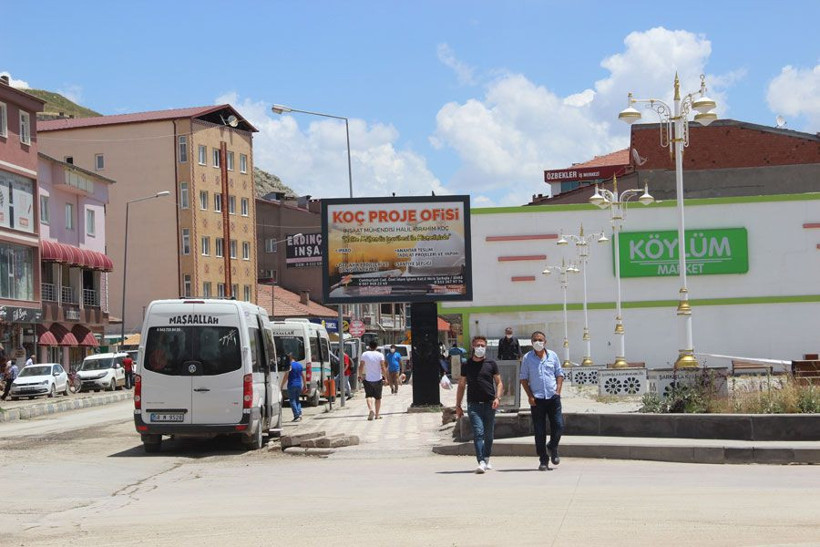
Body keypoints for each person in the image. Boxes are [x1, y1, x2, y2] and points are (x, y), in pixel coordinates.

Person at [455, 336, 503, 474]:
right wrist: (458, 405)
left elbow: (499, 383)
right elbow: (461, 385)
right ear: (473, 346)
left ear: (486, 347)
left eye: (482, 345)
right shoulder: (467, 364)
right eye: (477, 345)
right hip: (473, 404)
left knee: (489, 434)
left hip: (490, 403)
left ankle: (486, 458)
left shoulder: (491, 364)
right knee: (478, 432)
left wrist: (498, 398)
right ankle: (481, 461)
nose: (480, 348)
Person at [519, 331, 564, 471]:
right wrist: (530, 396)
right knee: (539, 431)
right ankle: (543, 459)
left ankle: (553, 446)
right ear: (531, 342)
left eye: (540, 340)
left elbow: (559, 374)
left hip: (553, 397)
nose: (538, 342)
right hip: (537, 399)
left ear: (545, 342)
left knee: (559, 425)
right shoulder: (527, 358)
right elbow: (523, 378)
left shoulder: (553, 355)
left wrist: (558, 391)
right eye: (535, 340)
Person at [358, 340, 387, 420]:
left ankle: (371, 410)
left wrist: (360, 376)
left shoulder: (364, 354)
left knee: (369, 396)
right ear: (376, 347)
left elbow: (361, 366)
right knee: (378, 398)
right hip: (378, 379)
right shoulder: (380, 355)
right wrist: (386, 378)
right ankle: (377, 415)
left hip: (368, 379)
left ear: (369, 346)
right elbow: (383, 366)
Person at [280, 353, 305, 422]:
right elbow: (303, 376)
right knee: (297, 400)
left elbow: (286, 376)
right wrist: (305, 385)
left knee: (292, 400)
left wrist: (281, 385)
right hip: (299, 385)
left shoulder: (290, 366)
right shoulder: (300, 365)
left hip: (292, 385)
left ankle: (296, 416)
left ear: (290, 358)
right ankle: (299, 414)